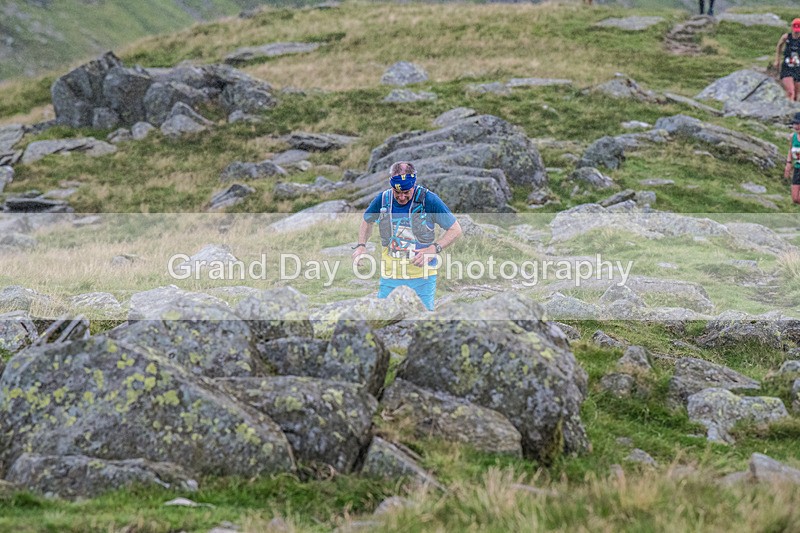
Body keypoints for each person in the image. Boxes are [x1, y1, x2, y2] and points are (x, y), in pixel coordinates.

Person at [352, 161, 462, 310]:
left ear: (414, 184)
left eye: (406, 192)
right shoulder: (384, 199)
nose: (402, 197)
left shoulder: (429, 200)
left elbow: (455, 229)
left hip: (422, 277)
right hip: (390, 276)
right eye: (397, 192)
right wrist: (361, 246)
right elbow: (367, 220)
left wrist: (433, 249)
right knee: (384, 317)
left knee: (422, 320)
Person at [775, 18, 800, 101]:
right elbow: (779, 46)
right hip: (787, 68)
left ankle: (794, 108)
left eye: (798, 31)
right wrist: (777, 60)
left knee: (796, 95)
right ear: (792, 28)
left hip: (798, 69)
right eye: (795, 30)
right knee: (790, 92)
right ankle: (788, 108)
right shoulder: (786, 37)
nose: (796, 32)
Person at [784, 112, 800, 205]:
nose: (796, 126)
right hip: (797, 168)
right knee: (795, 198)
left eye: (798, 123)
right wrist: (788, 163)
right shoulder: (792, 137)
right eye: (795, 123)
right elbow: (790, 150)